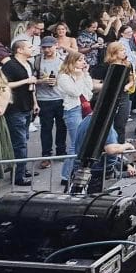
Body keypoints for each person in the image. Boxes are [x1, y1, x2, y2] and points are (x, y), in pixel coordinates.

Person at [56, 51, 100, 187]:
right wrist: (80, 76)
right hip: (72, 110)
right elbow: (75, 92)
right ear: (72, 62)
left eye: (84, 60)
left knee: (82, 142)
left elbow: (89, 92)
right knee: (75, 143)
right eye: (80, 60)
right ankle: (66, 175)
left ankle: (76, 172)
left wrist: (85, 74)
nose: (83, 63)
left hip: (84, 108)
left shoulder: (81, 75)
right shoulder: (63, 77)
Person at [1, 36, 40, 185]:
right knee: (19, 142)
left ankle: (22, 169)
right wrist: (26, 81)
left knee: (24, 139)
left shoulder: (29, 63)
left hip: (27, 105)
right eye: (29, 47)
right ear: (20, 50)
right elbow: (4, 85)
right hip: (14, 108)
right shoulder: (10, 65)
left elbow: (32, 86)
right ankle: (18, 176)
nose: (32, 49)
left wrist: (35, 103)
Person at [34, 35, 66, 167]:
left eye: (49, 47)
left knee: (62, 127)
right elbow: (32, 79)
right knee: (46, 128)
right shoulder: (37, 60)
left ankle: (61, 151)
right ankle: (46, 155)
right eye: (44, 47)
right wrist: (42, 81)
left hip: (61, 96)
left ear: (56, 45)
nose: (47, 50)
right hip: (44, 98)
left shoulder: (63, 59)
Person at [101, 41, 136, 144]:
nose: (124, 52)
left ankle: (120, 147)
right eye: (121, 50)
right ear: (114, 52)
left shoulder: (128, 64)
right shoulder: (106, 66)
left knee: (121, 123)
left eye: (124, 50)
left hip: (124, 96)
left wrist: (127, 86)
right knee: (108, 124)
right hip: (110, 96)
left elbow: (132, 81)